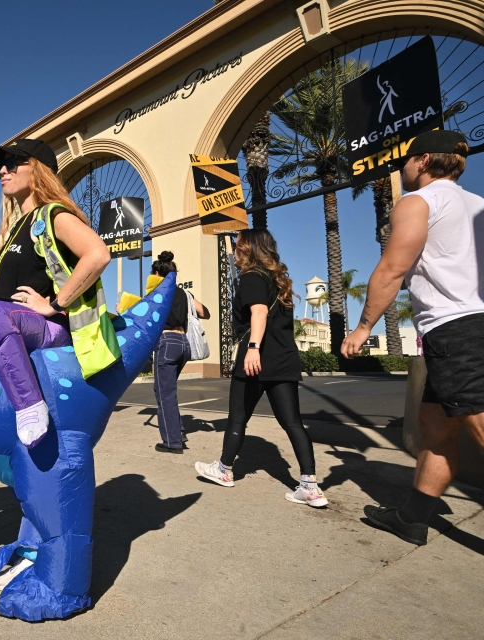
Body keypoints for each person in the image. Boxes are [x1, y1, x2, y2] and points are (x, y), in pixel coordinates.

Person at [342, 130, 484, 545]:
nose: (401, 169)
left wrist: (364, 326)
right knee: (435, 427)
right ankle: (412, 517)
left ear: (423, 160)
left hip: (457, 330)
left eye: (404, 161)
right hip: (467, 326)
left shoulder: (418, 201)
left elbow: (392, 269)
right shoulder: (477, 204)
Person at [0, 138, 117, 448]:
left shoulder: (52, 215)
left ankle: (30, 407)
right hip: (10, 324)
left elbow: (97, 254)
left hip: (47, 328)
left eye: (12, 163)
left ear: (38, 170)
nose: (3, 170)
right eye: (0, 166)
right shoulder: (16, 226)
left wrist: (54, 304)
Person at [194, 230, 328, 508]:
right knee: (292, 422)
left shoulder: (252, 277)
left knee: (238, 417)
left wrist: (253, 347)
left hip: (257, 358)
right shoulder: (280, 282)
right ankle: (310, 486)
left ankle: (224, 469)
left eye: (237, 245)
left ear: (248, 249)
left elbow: (258, 313)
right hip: (284, 358)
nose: (234, 250)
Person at [150, 251, 210, 453]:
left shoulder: (158, 292)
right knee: (169, 391)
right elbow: (205, 312)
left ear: (157, 273)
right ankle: (179, 430)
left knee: (164, 393)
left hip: (166, 343)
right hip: (184, 343)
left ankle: (172, 441)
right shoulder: (185, 293)